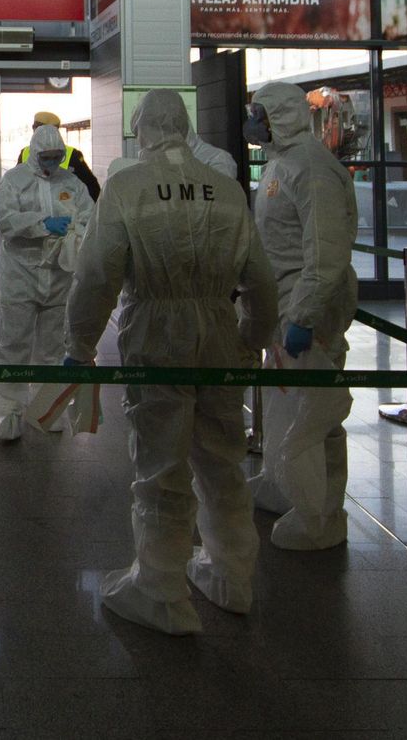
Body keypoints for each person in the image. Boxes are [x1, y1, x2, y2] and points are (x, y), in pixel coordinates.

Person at [64, 88, 279, 635]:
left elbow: (96, 276)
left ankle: (161, 590)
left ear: (143, 130)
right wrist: (251, 340)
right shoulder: (228, 191)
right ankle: (234, 579)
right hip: (219, 332)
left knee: (160, 464)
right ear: (184, 127)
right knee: (222, 459)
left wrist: (79, 346)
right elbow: (259, 278)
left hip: (157, 331)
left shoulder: (127, 186)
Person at [247, 82, 359, 551]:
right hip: (283, 310)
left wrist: (304, 316)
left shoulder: (312, 169)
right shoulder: (282, 162)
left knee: (311, 420)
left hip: (305, 316)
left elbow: (325, 254)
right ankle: (284, 486)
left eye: (259, 114)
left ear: (282, 116)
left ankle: (319, 517)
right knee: (285, 411)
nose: (252, 122)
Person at [0, 124, 93, 442]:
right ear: (34, 154)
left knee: (52, 348)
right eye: (46, 157)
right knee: (13, 346)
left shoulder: (72, 183)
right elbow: (4, 221)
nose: (52, 162)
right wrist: (41, 223)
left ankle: (46, 409)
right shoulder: (15, 181)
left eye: (57, 157)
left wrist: (77, 229)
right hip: (20, 275)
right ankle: (8, 413)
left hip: (59, 277)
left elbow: (90, 216)